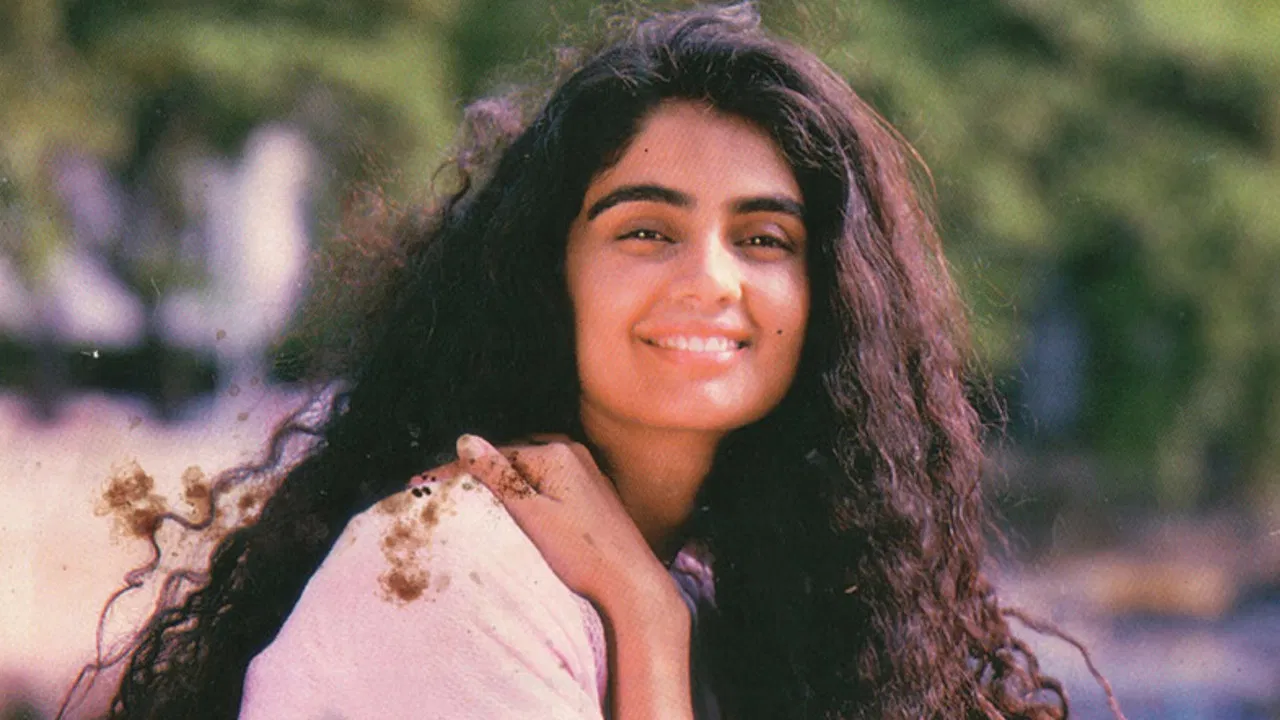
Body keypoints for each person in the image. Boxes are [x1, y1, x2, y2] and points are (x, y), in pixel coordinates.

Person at [74, 4, 1114, 719]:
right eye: (645, 231)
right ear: (549, 273)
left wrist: (650, 605)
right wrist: (645, 629)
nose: (710, 279)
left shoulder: (719, 591)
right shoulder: (447, 567)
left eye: (764, 239)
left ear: (828, 300)